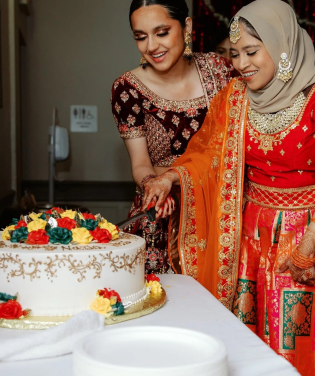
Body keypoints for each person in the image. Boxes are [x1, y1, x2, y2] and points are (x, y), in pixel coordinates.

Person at [142, 1, 315, 374]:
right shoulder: (233, 97)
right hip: (248, 237)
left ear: (282, 47)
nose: (242, 64)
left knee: (303, 340)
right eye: (235, 54)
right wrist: (170, 176)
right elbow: (207, 154)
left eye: (251, 51)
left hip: (311, 236)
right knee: (248, 341)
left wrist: (308, 245)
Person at [113, 0, 234, 274]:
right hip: (160, 214)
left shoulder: (220, 71)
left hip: (216, 211)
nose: (152, 46)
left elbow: (233, 147)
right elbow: (140, 164)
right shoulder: (127, 89)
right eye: (140, 37)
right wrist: (153, 185)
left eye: (162, 32)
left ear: (186, 26)